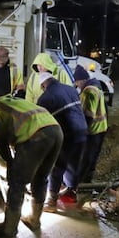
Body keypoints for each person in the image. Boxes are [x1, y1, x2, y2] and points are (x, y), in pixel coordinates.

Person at [0, 96, 63, 237]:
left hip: (36, 135)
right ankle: (34, 220)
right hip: (56, 130)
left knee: (17, 182)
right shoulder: (9, 103)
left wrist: (10, 163)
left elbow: (1, 142)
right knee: (41, 177)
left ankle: (9, 228)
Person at [36, 71, 87, 209]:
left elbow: (40, 124)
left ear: (43, 85)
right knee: (74, 164)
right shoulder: (71, 89)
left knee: (58, 165)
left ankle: (51, 201)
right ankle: (70, 195)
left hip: (67, 133)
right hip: (82, 131)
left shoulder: (45, 98)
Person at [73, 65, 108, 183]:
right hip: (101, 128)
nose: (76, 85)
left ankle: (82, 183)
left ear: (81, 80)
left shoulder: (89, 91)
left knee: (86, 158)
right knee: (92, 158)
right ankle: (88, 182)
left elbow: (88, 114)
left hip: (93, 131)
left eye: (76, 82)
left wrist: (82, 132)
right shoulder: (97, 87)